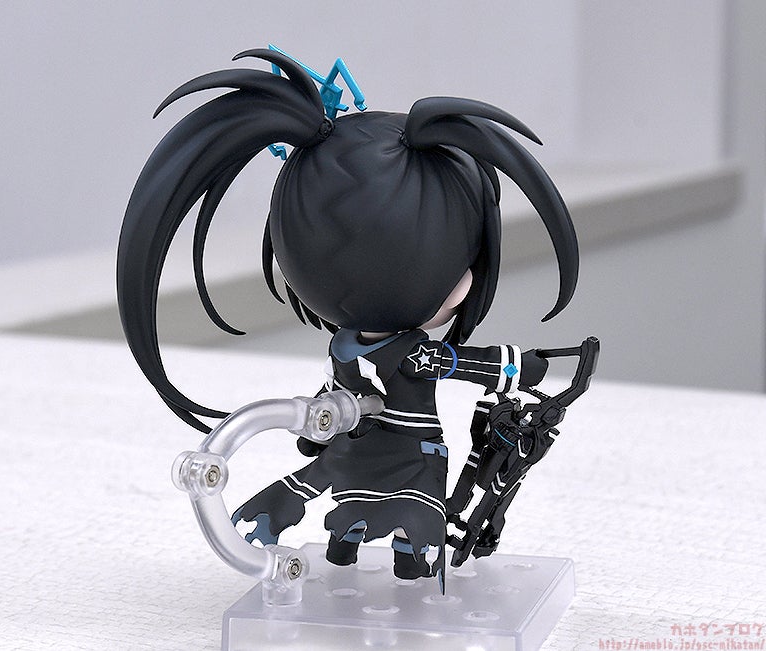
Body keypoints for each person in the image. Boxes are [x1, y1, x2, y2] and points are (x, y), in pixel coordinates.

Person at [117, 48, 579, 587]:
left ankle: (383, 563)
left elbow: (457, 366)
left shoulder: (358, 347)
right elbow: (465, 364)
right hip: (375, 456)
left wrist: (520, 368)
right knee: (364, 532)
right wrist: (525, 368)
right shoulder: (387, 352)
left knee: (393, 538)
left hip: (398, 460)